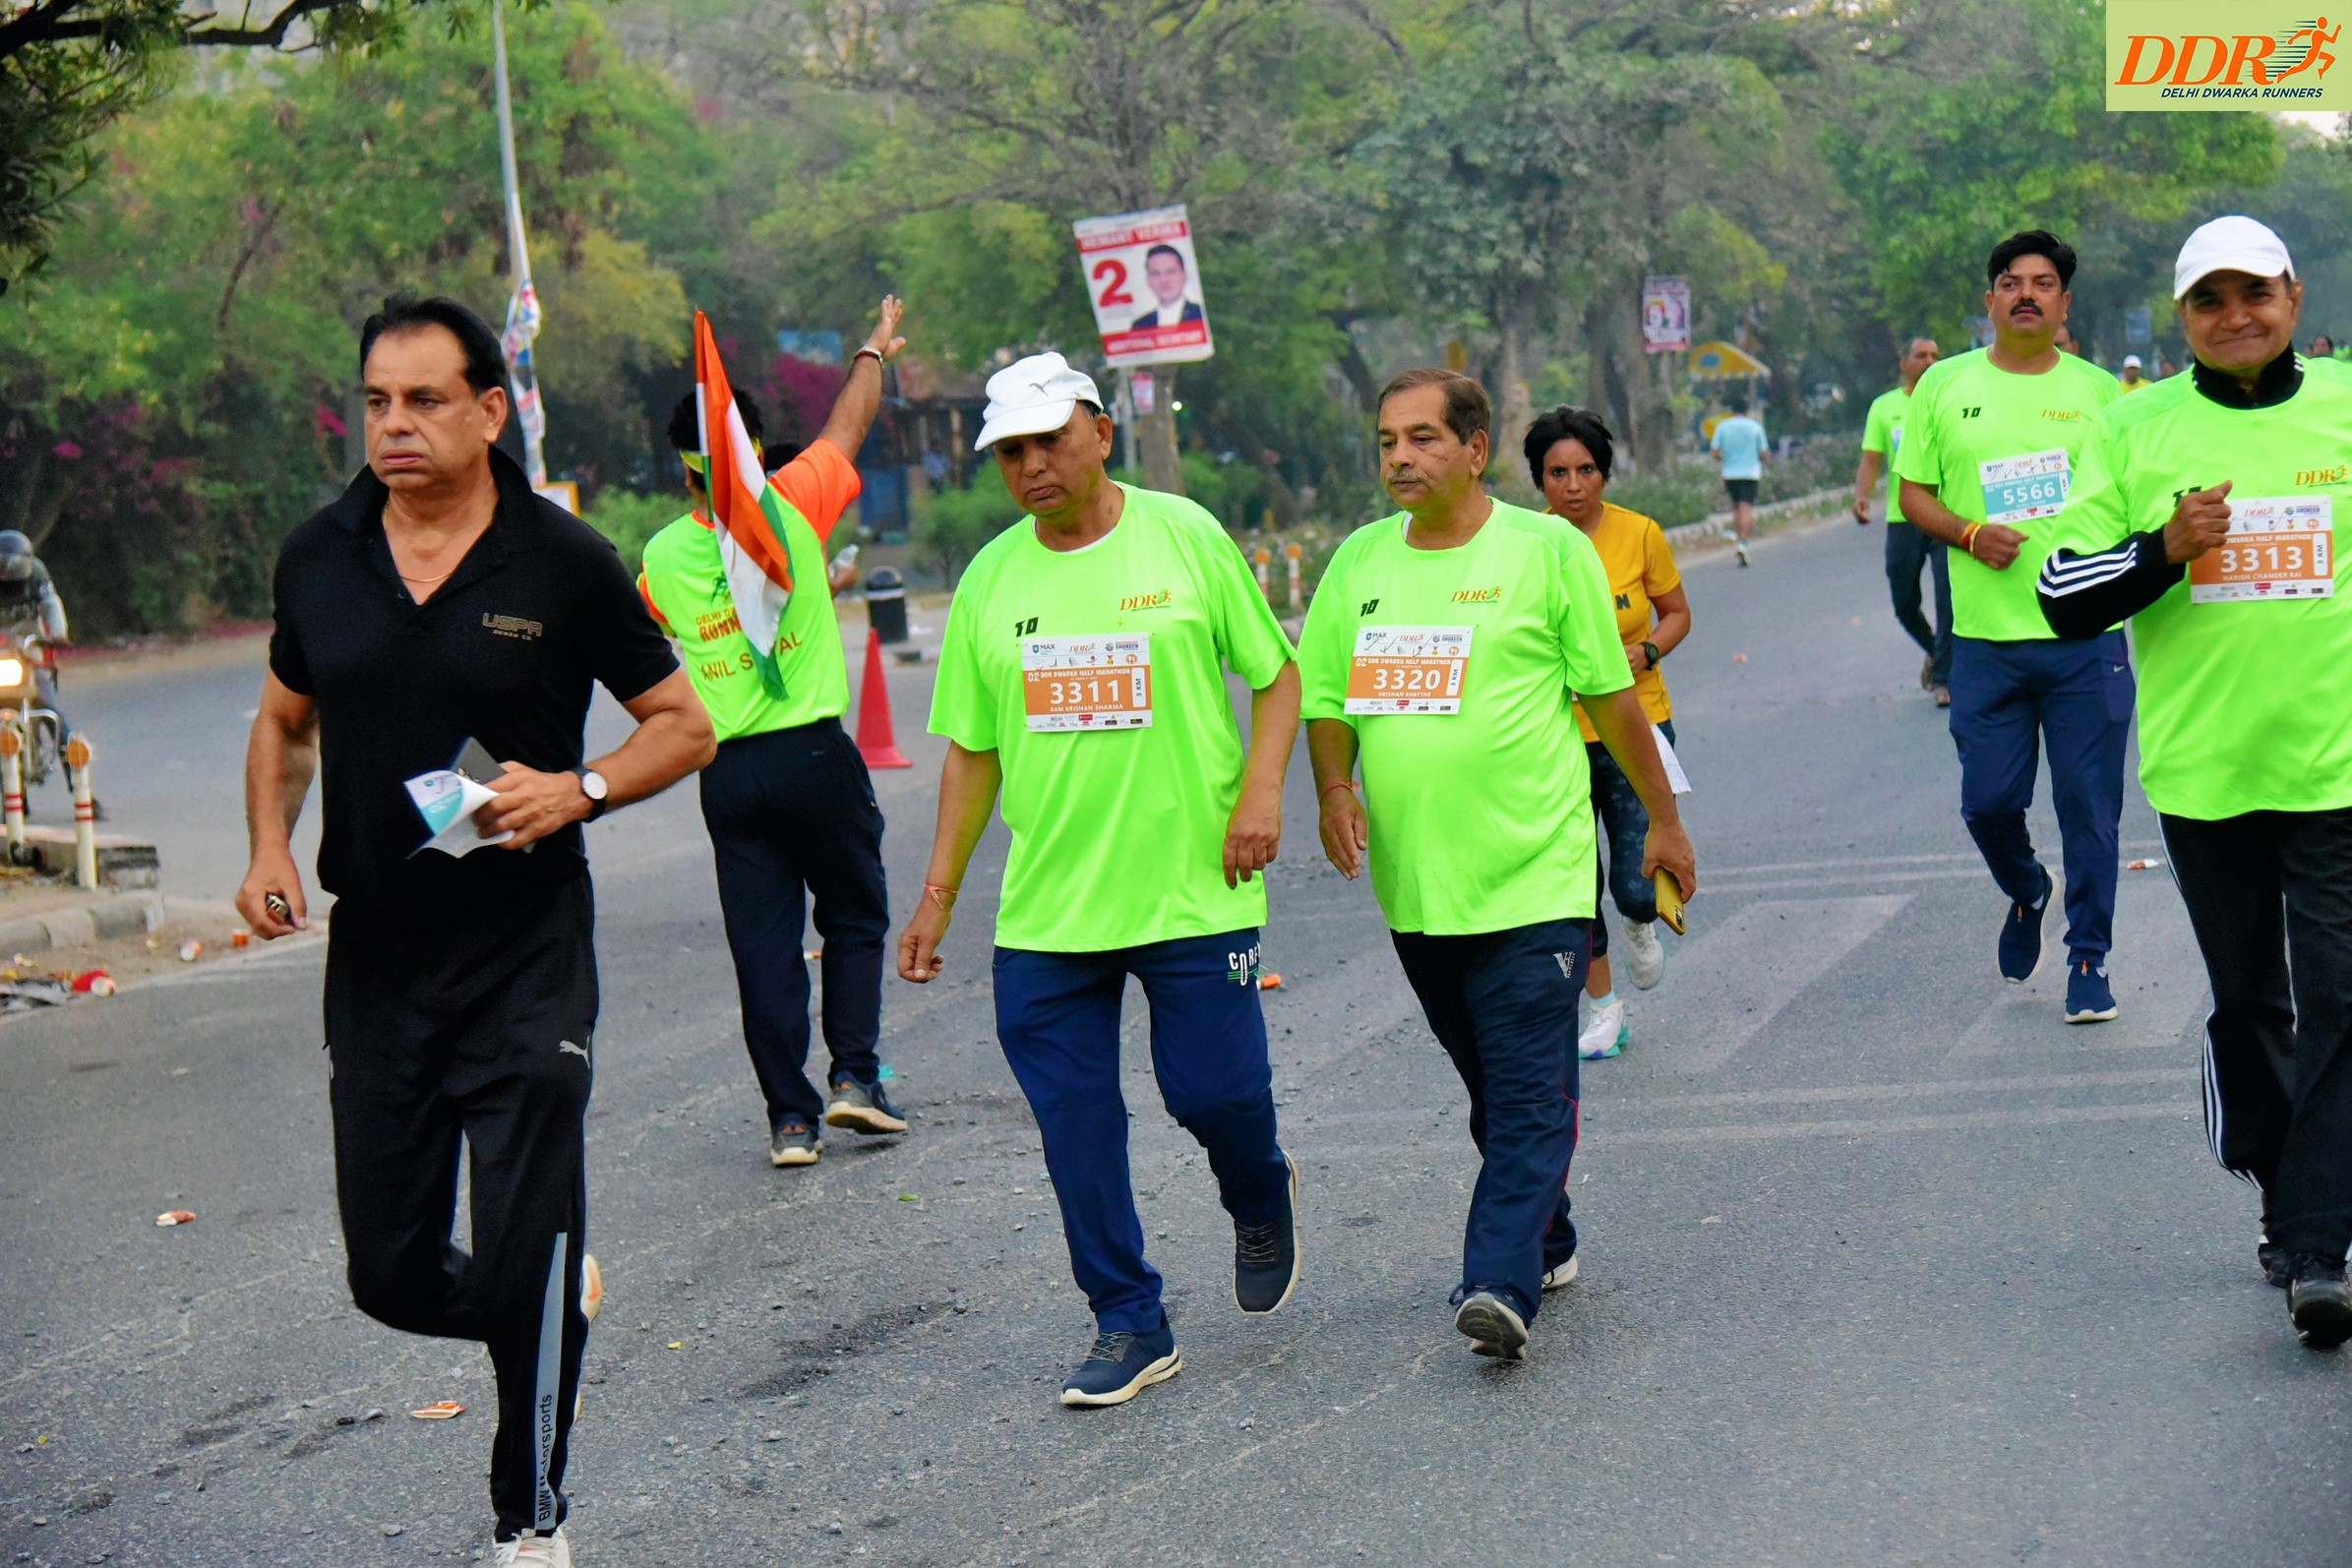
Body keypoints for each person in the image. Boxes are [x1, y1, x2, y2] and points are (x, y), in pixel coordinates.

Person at [235, 296, 715, 1567]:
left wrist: (582, 786)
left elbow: (683, 724)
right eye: (376, 401)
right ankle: (543, 1305)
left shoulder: (561, 560)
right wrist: (270, 845)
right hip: (378, 960)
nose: (394, 423)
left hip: (524, 950)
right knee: (389, 1273)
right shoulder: (319, 555)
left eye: (425, 399)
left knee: (526, 1240)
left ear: (490, 411)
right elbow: (283, 719)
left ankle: (531, 1514)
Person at [896, 351, 1300, 1408]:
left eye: (1048, 441)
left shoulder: (1185, 535)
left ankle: (1258, 1187)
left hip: (1194, 887)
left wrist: (1262, 794)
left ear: (1100, 432)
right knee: (1075, 1126)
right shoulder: (990, 580)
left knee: (1214, 1095)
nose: (1031, 466)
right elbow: (973, 751)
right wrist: (938, 895)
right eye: (1010, 453)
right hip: (1050, 910)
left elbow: (1276, 675)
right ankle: (1129, 1318)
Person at [1302, 370, 1697, 1361]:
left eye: (1423, 437)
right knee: (1492, 1089)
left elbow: (1609, 699)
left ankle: (1497, 1280)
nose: (1401, 457)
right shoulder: (1356, 563)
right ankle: (1546, 1234)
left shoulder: (1546, 551)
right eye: (1388, 440)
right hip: (1419, 889)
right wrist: (1335, 789)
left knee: (1526, 1090)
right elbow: (1326, 698)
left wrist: (1662, 820)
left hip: (1536, 875)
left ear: (1476, 450)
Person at [2037, 215, 2352, 1348]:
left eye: (2254, 293)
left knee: (2342, 996)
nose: (2237, 315)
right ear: (2183, 318)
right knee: (2251, 1002)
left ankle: (2319, 1243)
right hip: (2205, 774)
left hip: (2335, 766)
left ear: (2294, 298)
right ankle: (2282, 1184)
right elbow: (2062, 593)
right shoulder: (2134, 429)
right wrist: (2164, 549)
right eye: (2210, 299)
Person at [638, 297, 908, 1170]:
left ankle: (790, 1122)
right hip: (815, 755)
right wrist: (871, 350)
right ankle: (854, 1079)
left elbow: (649, 637)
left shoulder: (661, 559)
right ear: (754, 449)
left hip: (729, 776)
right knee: (854, 916)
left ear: (683, 471)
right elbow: (848, 425)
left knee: (764, 950)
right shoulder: (793, 504)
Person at [1895, 230, 2126, 1025]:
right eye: (2010, 282)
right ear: (1989, 300)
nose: (2025, 293)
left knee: (2089, 808)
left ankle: (2088, 957)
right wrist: (1966, 534)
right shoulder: (1943, 385)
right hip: (1986, 644)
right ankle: (2027, 887)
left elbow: (2136, 499)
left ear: (2064, 304)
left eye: (2042, 282)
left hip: (2085, 640)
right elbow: (1913, 493)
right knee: (1988, 805)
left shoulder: (2102, 394)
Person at [1525, 405, 1693, 1060]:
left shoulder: (1639, 533)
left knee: (1633, 883)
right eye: (1557, 473)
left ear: (1604, 472)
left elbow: (1676, 614)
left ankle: (1638, 921)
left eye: (1586, 470)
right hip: (1553, 733)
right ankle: (1602, 1008)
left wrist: (1646, 652)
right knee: (1573, 883)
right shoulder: (1525, 545)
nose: (1573, 486)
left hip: (1634, 723)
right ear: (1539, 479)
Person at [1854, 336, 1953, 704]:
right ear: (1904, 363)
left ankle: (1944, 679)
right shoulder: (1885, 407)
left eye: (1935, 356)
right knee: (1904, 600)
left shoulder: (1950, 401)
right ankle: (1936, 651)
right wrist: (1862, 496)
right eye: (1921, 355)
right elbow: (1871, 459)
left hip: (1945, 514)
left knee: (1948, 599)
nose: (1929, 362)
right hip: (1904, 516)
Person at [1708, 395, 1768, 567]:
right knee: (1746, 507)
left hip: (1730, 474)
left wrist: (1726, 458)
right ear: (1747, 411)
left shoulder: (1723, 427)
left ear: (1731, 411)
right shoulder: (1755, 427)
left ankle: (1738, 539)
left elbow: (1714, 452)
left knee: (1736, 507)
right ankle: (1743, 542)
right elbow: (1763, 453)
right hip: (1750, 473)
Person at [1129, 244, 1206, 330]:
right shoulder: (1140, 326)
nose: (1164, 280)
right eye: (1156, 274)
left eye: (1170, 272)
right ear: (1148, 280)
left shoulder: (1202, 314)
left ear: (1184, 276)